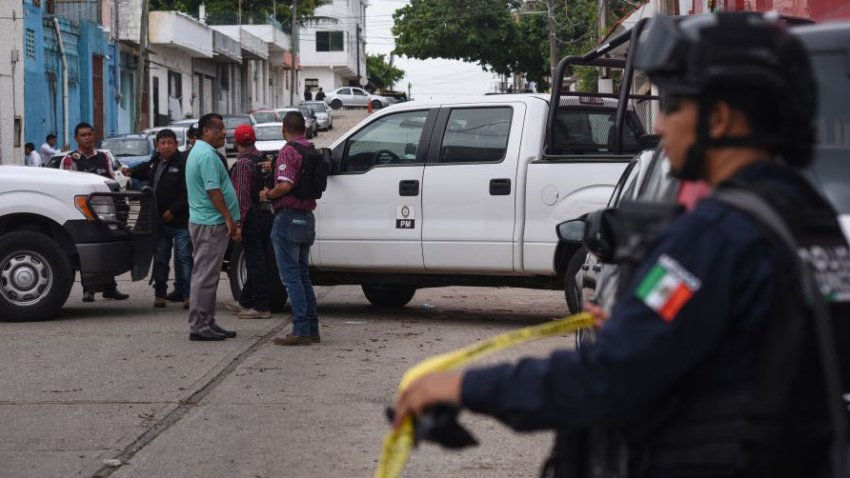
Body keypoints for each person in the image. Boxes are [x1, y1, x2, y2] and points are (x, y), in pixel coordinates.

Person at [392, 12, 850, 477]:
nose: (662, 126)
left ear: (719, 119)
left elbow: (606, 379)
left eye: (672, 106)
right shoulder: (811, 221)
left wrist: (460, 387)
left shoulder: (716, 234)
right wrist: (645, 327)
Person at [260, 111, 319, 346]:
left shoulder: (288, 150)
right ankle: (312, 328)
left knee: (291, 278)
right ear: (304, 129)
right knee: (303, 276)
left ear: (283, 129)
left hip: (288, 218)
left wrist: (268, 195)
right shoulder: (310, 149)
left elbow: (285, 184)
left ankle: (300, 330)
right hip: (307, 218)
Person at [185, 113, 241, 341]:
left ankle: (207, 321)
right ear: (206, 131)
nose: (224, 133)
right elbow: (213, 190)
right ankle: (199, 325)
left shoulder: (203, 151)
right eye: (218, 129)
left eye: (223, 128)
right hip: (210, 223)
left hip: (208, 221)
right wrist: (229, 218)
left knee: (209, 276)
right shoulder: (206, 155)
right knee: (205, 276)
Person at [61, 122, 129, 303]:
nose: (87, 138)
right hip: (83, 212)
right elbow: (67, 185)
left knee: (108, 248)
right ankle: (88, 289)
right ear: (76, 138)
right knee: (89, 250)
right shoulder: (70, 159)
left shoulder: (103, 156)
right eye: (83, 135)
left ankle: (110, 288)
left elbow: (111, 179)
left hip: (106, 211)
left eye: (89, 134)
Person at [125, 129, 192, 309]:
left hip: (181, 222)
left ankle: (188, 295)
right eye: (163, 143)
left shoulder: (183, 163)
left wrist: (173, 210)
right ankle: (160, 294)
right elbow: (141, 170)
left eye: (170, 143)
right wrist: (129, 171)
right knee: (161, 259)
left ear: (176, 144)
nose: (167, 146)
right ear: (157, 145)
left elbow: (186, 193)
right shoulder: (155, 162)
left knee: (184, 258)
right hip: (160, 223)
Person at [225, 125, 275, 319]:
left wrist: (238, 223)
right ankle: (245, 301)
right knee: (259, 259)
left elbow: (242, 197)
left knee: (254, 262)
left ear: (236, 142)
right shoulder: (264, 159)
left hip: (251, 217)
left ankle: (261, 306)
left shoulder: (243, 164)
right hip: (267, 214)